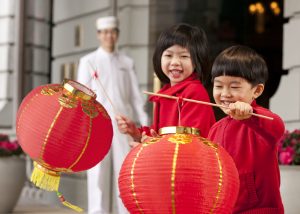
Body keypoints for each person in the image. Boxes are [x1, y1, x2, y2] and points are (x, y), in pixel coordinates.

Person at [77, 16, 148, 214]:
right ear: (99, 35)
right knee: (97, 171)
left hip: (123, 123)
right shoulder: (88, 62)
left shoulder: (126, 62)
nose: (109, 36)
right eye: (105, 32)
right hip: (97, 123)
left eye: (113, 31)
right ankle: (97, 211)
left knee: (124, 169)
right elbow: (81, 97)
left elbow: (135, 95)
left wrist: (144, 121)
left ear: (117, 34)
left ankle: (125, 210)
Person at [208, 45, 285, 213]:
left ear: (257, 90)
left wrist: (250, 115)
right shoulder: (215, 129)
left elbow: (278, 126)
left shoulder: (259, 120)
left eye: (234, 87)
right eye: (219, 86)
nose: (225, 94)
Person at [116, 23, 216, 145]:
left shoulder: (195, 92)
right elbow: (157, 134)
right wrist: (136, 133)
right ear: (160, 58)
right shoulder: (163, 94)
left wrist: (152, 145)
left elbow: (189, 142)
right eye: (168, 55)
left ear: (196, 61)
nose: (175, 62)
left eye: (184, 56)